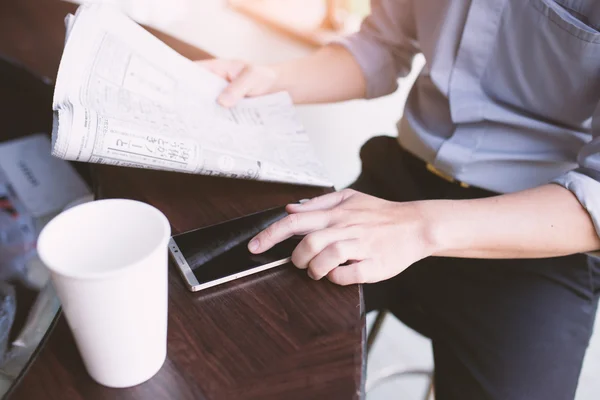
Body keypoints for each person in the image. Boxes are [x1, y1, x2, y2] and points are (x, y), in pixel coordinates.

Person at [197, 1, 600, 398]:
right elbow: (382, 46)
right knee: (230, 322)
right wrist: (268, 81)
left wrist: (420, 227)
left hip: (533, 235)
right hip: (394, 188)